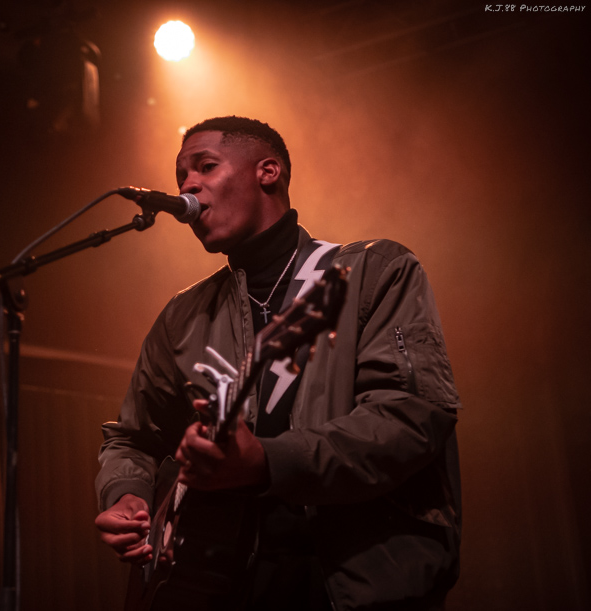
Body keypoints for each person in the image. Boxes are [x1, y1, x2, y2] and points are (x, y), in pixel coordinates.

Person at [94, 116, 461, 610]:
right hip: (216, 583)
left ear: (268, 171)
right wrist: (126, 493)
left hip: (348, 581)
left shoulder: (373, 272)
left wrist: (267, 462)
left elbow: (411, 416)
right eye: (181, 176)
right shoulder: (182, 315)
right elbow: (132, 437)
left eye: (205, 166)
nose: (188, 187)